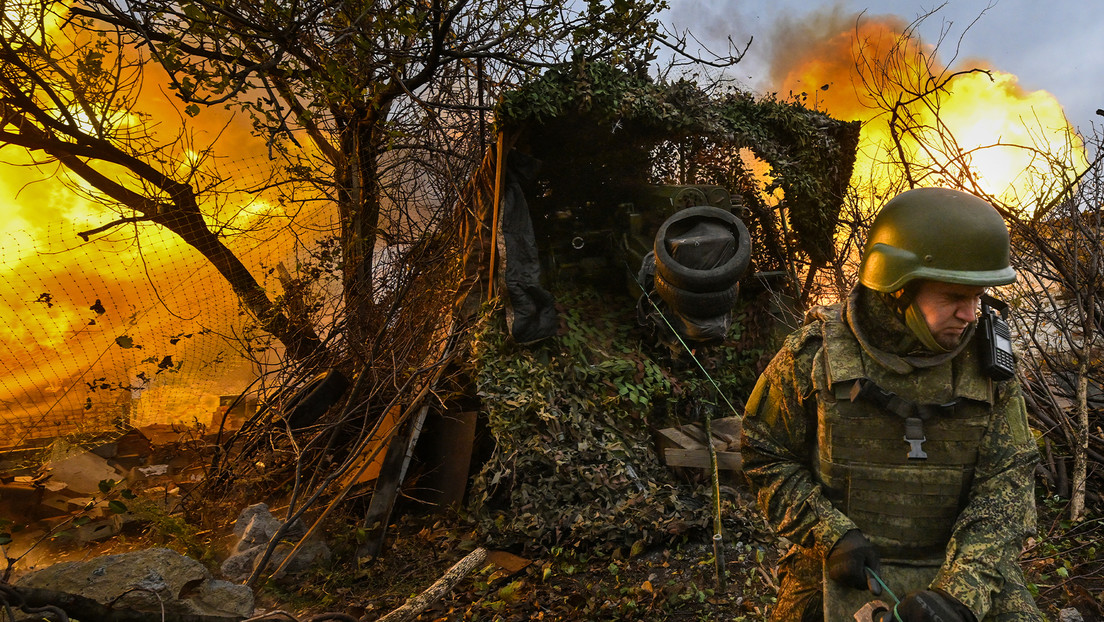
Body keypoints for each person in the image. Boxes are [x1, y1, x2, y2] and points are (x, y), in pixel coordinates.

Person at [740, 188, 1044, 621]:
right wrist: (829, 535)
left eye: (978, 297)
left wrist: (960, 592)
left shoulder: (988, 368)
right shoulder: (813, 356)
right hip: (843, 561)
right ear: (898, 290)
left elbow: (1007, 485)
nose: (971, 315)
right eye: (954, 297)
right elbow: (763, 452)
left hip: (960, 563)